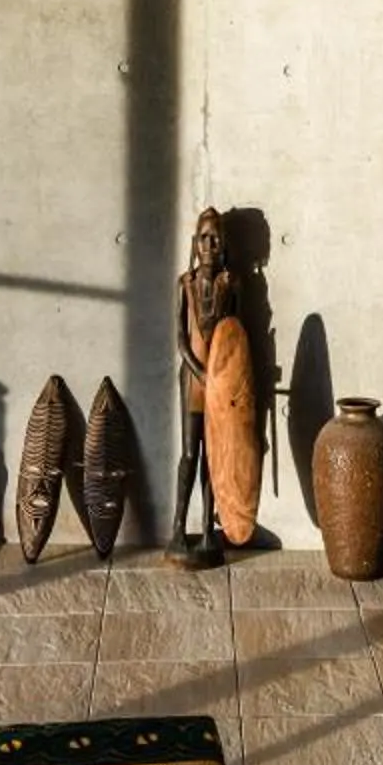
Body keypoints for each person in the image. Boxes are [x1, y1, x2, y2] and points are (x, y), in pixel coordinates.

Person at [171, 207, 234, 563]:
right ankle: (178, 529)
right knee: (190, 455)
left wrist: (224, 377)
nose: (209, 245)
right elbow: (181, 338)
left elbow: (237, 337)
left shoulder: (231, 284)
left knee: (213, 456)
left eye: (216, 239)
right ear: (195, 244)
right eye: (203, 238)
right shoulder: (186, 284)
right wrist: (200, 372)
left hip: (221, 382)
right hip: (194, 381)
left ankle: (209, 531)